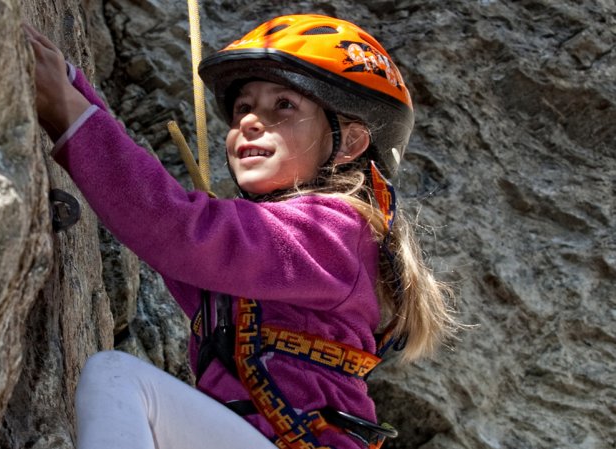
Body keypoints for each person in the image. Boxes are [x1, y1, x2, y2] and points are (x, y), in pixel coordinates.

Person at [24, 13, 457, 449]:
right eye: (242, 108)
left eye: (283, 105)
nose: (250, 120)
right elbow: (163, 232)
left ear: (348, 143)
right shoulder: (272, 253)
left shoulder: (335, 231)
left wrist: (69, 114)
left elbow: (175, 229)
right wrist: (69, 86)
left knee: (117, 378)